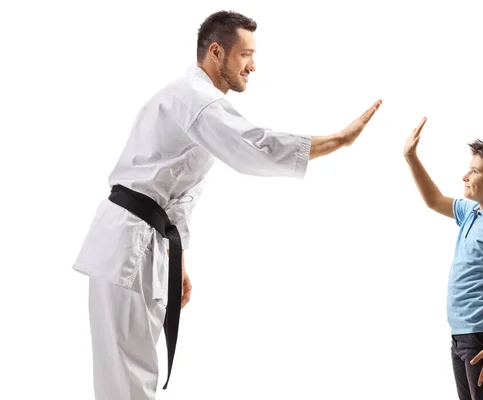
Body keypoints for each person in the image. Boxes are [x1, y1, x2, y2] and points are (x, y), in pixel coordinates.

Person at [72, 10, 382, 400]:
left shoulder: (188, 100)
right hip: (129, 244)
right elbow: (256, 146)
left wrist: (176, 257)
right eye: (245, 55)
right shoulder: (196, 99)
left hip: (136, 240)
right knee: (128, 376)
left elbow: (174, 195)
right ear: (216, 52)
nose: (253, 66)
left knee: (126, 372)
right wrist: (337, 140)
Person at [403, 117, 483, 399]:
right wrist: (411, 157)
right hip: (462, 333)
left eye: (474, 171)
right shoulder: (471, 213)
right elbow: (434, 200)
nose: (465, 176)